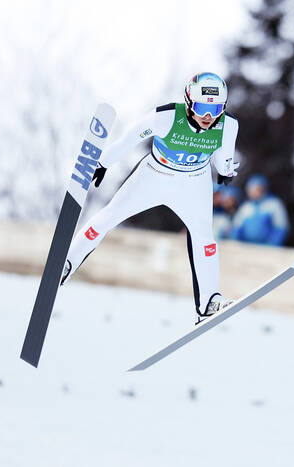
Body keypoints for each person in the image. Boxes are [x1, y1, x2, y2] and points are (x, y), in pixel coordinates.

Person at [61, 72, 240, 324]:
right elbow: (128, 140)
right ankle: (67, 262)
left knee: (204, 238)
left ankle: (208, 301)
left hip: (194, 183)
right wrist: (102, 162)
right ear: (189, 103)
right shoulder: (166, 117)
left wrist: (226, 171)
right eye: (202, 107)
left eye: (216, 108)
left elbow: (223, 156)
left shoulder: (228, 124)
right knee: (110, 216)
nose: (209, 116)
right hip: (153, 177)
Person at [230, 174, 289, 246]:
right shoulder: (246, 207)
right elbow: (237, 227)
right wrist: (235, 242)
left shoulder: (274, 204)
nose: (252, 192)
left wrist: (273, 245)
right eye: (250, 189)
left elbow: (281, 227)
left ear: (263, 189)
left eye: (255, 189)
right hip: (247, 247)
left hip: (267, 248)